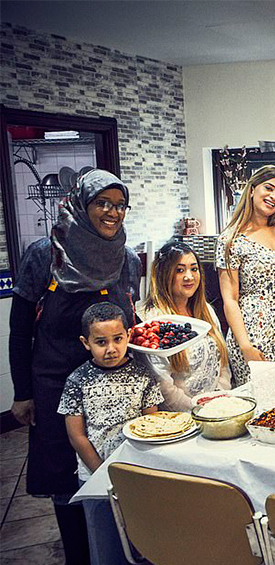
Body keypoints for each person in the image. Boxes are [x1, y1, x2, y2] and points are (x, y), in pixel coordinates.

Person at [9, 168, 141, 564]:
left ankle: (118, 549)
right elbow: (20, 330)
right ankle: (78, 556)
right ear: (81, 204)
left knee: (117, 469)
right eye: (103, 203)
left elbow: (131, 322)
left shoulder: (126, 258)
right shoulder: (45, 254)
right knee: (64, 475)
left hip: (114, 386)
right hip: (54, 383)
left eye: (120, 205)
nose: (113, 212)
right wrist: (22, 392)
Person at [58, 303, 162, 565]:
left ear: (128, 335)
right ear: (86, 343)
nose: (111, 348)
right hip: (95, 478)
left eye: (118, 339)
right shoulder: (77, 381)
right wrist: (103, 473)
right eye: (101, 342)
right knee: (106, 548)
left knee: (147, 544)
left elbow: (152, 423)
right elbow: (77, 436)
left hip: (137, 474)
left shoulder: (143, 375)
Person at [217, 165, 275, 383]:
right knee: (263, 401)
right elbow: (230, 299)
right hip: (254, 336)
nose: (274, 196)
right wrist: (245, 346)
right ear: (252, 190)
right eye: (268, 188)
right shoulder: (231, 240)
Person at [138, 241, 230, 410]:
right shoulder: (151, 321)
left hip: (216, 409)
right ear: (164, 274)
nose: (189, 276)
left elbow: (223, 364)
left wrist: (219, 399)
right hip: (180, 415)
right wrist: (196, 409)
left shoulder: (206, 310)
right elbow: (162, 384)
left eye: (194, 269)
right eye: (180, 270)